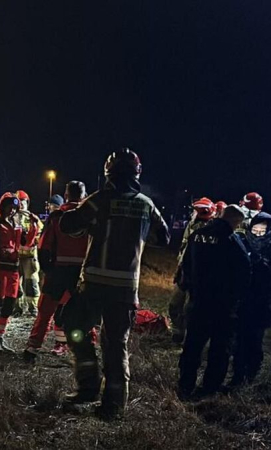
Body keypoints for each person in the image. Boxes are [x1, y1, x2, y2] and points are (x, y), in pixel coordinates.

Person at [59, 148, 169, 420]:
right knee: (116, 343)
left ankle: (88, 384)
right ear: (137, 173)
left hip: (94, 285)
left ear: (108, 172)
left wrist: (76, 212)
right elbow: (163, 237)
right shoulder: (146, 204)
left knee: (74, 327)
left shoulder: (99, 201)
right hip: (125, 289)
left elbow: (69, 225)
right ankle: (113, 406)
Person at [176, 205, 249, 400]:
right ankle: (208, 389)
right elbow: (244, 271)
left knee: (192, 346)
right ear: (235, 222)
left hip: (198, 302)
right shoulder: (233, 241)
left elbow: (186, 266)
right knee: (219, 350)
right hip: (222, 307)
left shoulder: (197, 235)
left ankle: (184, 386)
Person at [23, 181, 88, 362]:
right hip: (81, 274)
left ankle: (32, 348)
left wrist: (48, 270)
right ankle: (81, 353)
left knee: (45, 312)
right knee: (81, 314)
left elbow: (44, 247)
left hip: (58, 272)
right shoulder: (90, 217)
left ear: (66, 196)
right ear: (84, 196)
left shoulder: (56, 217)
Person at [0, 192, 38, 352]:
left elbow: (26, 243)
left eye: (14, 208)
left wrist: (33, 226)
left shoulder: (16, 225)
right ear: (2, 207)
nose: (12, 211)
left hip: (12, 271)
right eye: (9, 207)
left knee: (7, 306)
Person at [231, 212, 271, 386]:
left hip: (262, 301)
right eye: (256, 227)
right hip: (243, 299)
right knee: (239, 340)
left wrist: (261, 264)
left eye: (263, 228)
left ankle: (250, 376)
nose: (258, 231)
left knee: (255, 339)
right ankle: (238, 376)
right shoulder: (243, 242)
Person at [168, 197, 216, 343]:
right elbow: (184, 248)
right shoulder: (191, 225)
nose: (197, 214)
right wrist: (179, 268)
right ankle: (178, 331)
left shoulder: (214, 229)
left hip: (199, 275)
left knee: (191, 308)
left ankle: (190, 337)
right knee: (175, 304)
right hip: (185, 271)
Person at [15, 190, 44, 316]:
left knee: (31, 283)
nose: (21, 204)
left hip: (29, 257)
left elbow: (41, 233)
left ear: (27, 202)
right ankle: (17, 308)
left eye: (23, 201)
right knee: (15, 284)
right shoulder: (12, 217)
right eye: (18, 201)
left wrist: (34, 239)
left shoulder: (33, 218)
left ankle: (33, 309)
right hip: (15, 257)